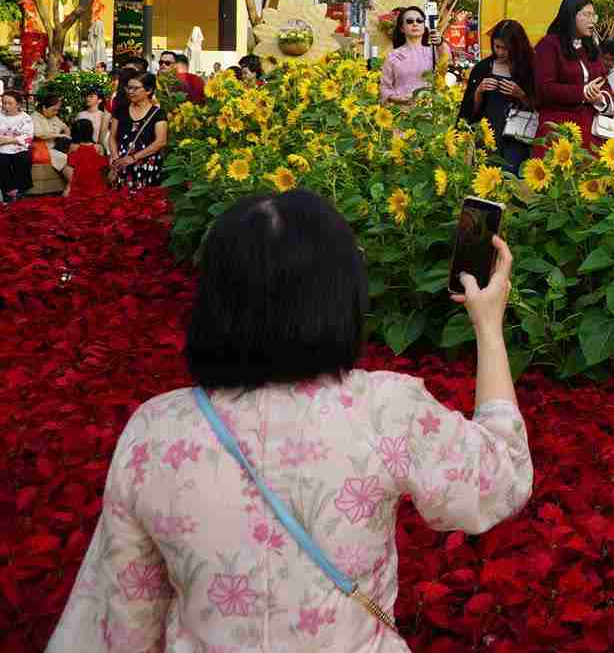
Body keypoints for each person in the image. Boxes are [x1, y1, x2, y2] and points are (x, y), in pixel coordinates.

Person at [45, 189, 532, 652]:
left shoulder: (156, 430)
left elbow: (125, 617)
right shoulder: (385, 410)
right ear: (340, 294)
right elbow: (499, 481)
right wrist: (489, 327)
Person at [532, 0, 609, 151]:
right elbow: (544, 88)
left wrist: (600, 98)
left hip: (589, 130)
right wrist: (582, 92)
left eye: (594, 16)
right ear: (571, 15)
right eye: (586, 15)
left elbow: (605, 84)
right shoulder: (549, 45)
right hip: (557, 129)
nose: (592, 21)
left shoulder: (592, 48)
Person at [457, 19, 535, 171]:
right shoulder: (483, 67)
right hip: (489, 134)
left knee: (512, 175)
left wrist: (521, 95)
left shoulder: (529, 69)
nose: (500, 52)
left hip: (517, 136)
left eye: (505, 48)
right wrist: (479, 91)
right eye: (496, 47)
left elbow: (538, 105)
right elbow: (470, 112)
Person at [110, 72, 168, 190]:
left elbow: (161, 142)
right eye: (129, 87)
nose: (130, 91)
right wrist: (116, 160)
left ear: (148, 90)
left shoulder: (158, 113)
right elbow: (112, 137)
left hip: (147, 166)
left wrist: (133, 158)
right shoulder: (120, 110)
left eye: (135, 88)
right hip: (122, 166)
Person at [380, 6, 447, 106]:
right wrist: (397, 99)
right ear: (402, 28)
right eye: (409, 21)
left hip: (430, 111)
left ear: (424, 26)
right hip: (402, 112)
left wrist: (440, 43)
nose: (415, 24)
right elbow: (384, 87)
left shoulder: (434, 51)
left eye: (419, 21)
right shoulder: (393, 56)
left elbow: (446, 63)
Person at [62, 118, 110, 199]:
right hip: (96, 185)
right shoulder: (99, 147)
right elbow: (103, 168)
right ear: (91, 131)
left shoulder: (73, 147)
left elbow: (71, 167)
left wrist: (68, 188)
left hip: (79, 185)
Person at [0, 92, 34, 203]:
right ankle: (8, 192)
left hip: (19, 148)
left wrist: (8, 140)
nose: (6, 106)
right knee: (2, 162)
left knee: (24, 159)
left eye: (10, 103)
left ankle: (20, 191)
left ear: (18, 104)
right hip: (1, 148)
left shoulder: (26, 118)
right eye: (4, 103)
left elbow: (28, 136)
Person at [31, 94, 71, 176]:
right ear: (44, 108)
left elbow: (65, 127)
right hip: (43, 149)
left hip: (57, 147)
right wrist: (59, 135)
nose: (56, 113)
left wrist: (66, 134)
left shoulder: (54, 117)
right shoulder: (34, 118)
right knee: (66, 158)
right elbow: (39, 134)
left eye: (57, 110)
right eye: (54, 110)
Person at [75, 86, 115, 156]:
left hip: (99, 150)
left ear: (99, 100)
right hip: (81, 149)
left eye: (91, 97)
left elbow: (109, 135)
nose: (87, 98)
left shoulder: (104, 116)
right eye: (87, 96)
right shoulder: (80, 115)